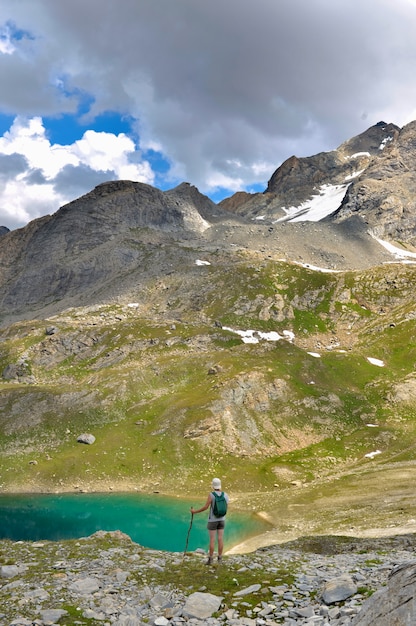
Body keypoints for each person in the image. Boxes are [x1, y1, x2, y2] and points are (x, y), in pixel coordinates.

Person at [191, 477, 229, 565]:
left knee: (212, 540)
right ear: (220, 485)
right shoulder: (225, 495)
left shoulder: (211, 495)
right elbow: (226, 506)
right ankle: (219, 558)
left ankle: (210, 559)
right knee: (220, 539)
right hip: (222, 520)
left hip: (212, 520)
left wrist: (195, 512)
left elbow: (205, 507)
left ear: (213, 486)